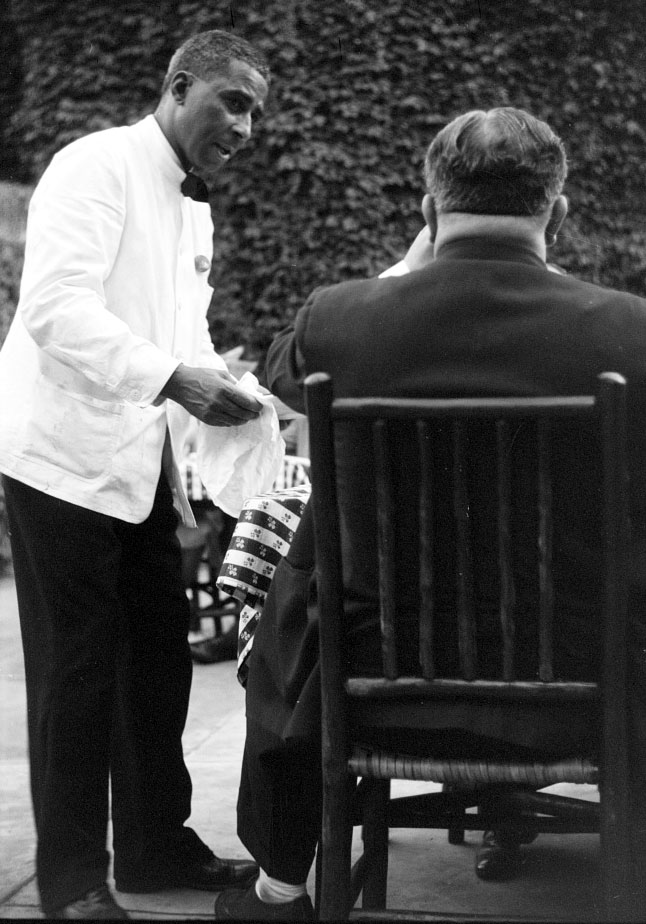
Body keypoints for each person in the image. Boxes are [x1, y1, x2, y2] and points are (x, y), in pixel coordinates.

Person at [213, 107, 646, 920]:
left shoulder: (340, 320)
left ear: (427, 211)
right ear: (556, 212)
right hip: (590, 686)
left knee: (294, 580)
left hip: (375, 686)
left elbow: (277, 364)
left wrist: (405, 271)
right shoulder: (631, 331)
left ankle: (279, 885)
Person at [0, 30, 271, 920]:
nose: (245, 125)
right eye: (232, 101)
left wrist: (222, 384)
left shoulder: (196, 209)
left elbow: (182, 341)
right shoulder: (94, 165)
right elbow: (53, 307)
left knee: (158, 661)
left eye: (256, 112)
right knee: (75, 671)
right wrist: (173, 379)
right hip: (59, 456)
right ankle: (71, 882)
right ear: (179, 84)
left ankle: (154, 849)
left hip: (141, 462)